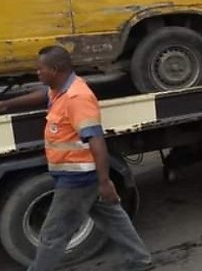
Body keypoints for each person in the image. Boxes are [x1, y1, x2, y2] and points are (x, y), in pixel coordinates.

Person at [0, 46, 152, 271]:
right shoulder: (61, 88)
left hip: (78, 178)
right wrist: (7, 104)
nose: (37, 73)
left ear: (56, 69)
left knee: (53, 234)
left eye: (41, 69)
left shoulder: (77, 98)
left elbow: (96, 140)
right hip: (77, 175)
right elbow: (44, 94)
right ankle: (141, 260)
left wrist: (104, 182)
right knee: (113, 218)